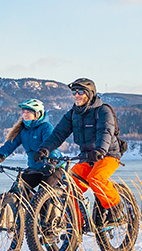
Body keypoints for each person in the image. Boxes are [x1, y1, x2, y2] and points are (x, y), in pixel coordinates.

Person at [33, 78, 125, 221]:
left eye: (80, 92)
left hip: (107, 154)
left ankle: (115, 205)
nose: (76, 95)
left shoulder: (102, 111)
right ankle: (76, 224)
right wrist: (44, 149)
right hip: (87, 157)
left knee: (96, 178)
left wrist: (100, 150)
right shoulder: (73, 114)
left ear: (90, 93)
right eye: (74, 92)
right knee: (69, 187)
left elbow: (105, 132)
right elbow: (58, 134)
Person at [0, 99, 63, 190]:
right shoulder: (23, 130)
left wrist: (52, 162)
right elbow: (9, 145)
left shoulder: (46, 127)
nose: (24, 115)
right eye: (24, 112)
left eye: (28, 112)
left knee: (43, 194)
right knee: (18, 190)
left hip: (52, 168)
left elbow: (51, 145)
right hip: (34, 168)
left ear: (37, 114)